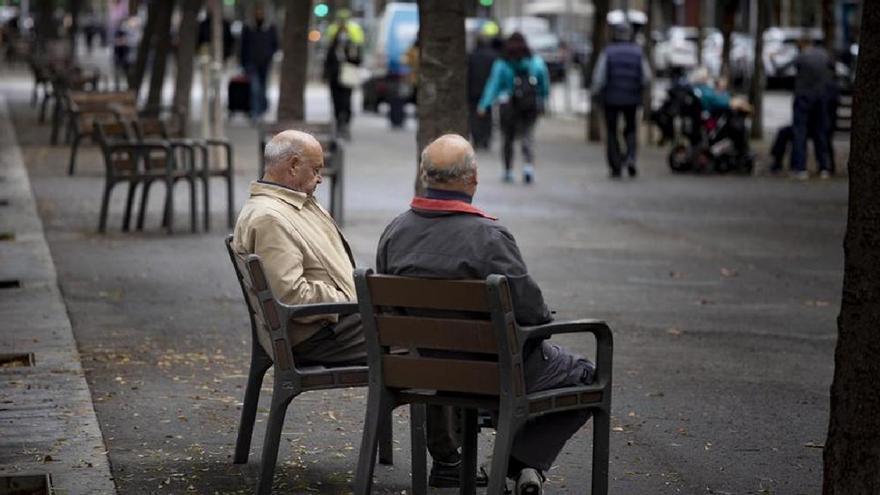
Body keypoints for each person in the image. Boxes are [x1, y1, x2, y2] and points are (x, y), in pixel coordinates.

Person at [376, 134, 596, 494]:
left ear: (424, 175)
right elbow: (534, 316)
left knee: (445, 345)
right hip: (494, 374)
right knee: (585, 374)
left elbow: (390, 310)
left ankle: (469, 462)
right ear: (472, 178)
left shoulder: (394, 233)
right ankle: (514, 462)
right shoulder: (490, 238)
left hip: (423, 368)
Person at [232, 130, 365, 365]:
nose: (321, 178)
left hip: (332, 323)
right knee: (417, 343)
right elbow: (291, 294)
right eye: (316, 169)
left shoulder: (290, 203)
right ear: (293, 166)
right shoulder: (270, 218)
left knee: (413, 330)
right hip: (321, 333)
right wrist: (350, 298)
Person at [477, 32, 550, 184]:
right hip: (530, 104)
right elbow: (544, 83)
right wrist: (543, 100)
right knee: (528, 136)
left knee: (507, 138)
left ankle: (508, 170)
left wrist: (484, 104)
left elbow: (494, 85)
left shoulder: (502, 63)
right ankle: (528, 167)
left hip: (508, 106)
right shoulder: (535, 61)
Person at [591, 23, 652, 178]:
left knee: (612, 131)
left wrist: (596, 93)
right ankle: (631, 157)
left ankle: (616, 164)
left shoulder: (608, 52)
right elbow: (647, 77)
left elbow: (599, 77)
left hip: (611, 99)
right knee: (631, 129)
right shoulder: (638, 53)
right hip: (632, 98)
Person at [775, 38, 835, 179]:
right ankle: (823, 167)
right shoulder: (824, 55)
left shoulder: (801, 57)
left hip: (803, 97)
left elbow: (781, 70)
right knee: (820, 132)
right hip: (821, 98)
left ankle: (800, 168)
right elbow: (833, 70)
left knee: (799, 132)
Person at [323, 10, 364, 139]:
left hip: (347, 78)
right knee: (336, 101)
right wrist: (326, 74)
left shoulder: (352, 45)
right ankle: (338, 122)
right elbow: (327, 60)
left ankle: (345, 123)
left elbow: (358, 60)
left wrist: (352, 53)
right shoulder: (333, 46)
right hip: (335, 78)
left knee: (346, 102)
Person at [240, 5, 278, 121]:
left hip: (265, 63)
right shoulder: (248, 28)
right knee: (255, 88)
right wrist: (243, 62)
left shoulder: (270, 28)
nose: (259, 15)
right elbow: (243, 46)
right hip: (251, 63)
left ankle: (262, 108)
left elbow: (275, 44)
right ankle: (256, 111)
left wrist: (269, 55)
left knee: (263, 87)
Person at [468, 25, 500, 150]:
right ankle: (486, 138)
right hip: (488, 90)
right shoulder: (493, 56)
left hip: (473, 90)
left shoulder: (471, 56)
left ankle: (477, 138)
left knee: (474, 115)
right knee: (488, 115)